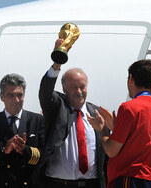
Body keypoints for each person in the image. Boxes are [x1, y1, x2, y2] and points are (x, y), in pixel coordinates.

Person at [87, 59, 151, 188]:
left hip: (129, 179)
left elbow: (111, 150)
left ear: (131, 79)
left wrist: (102, 129)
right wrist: (116, 127)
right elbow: (142, 141)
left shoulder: (129, 108)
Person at [38, 38, 107, 188]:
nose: (79, 92)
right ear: (64, 88)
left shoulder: (97, 113)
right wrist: (57, 62)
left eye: (82, 86)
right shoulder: (57, 107)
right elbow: (45, 92)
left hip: (92, 184)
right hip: (59, 184)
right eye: (73, 87)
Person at [0, 73, 44, 188]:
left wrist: (25, 150)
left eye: (20, 95)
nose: (16, 100)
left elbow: (46, 157)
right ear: (1, 97)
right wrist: (3, 151)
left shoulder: (38, 121)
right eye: (10, 95)